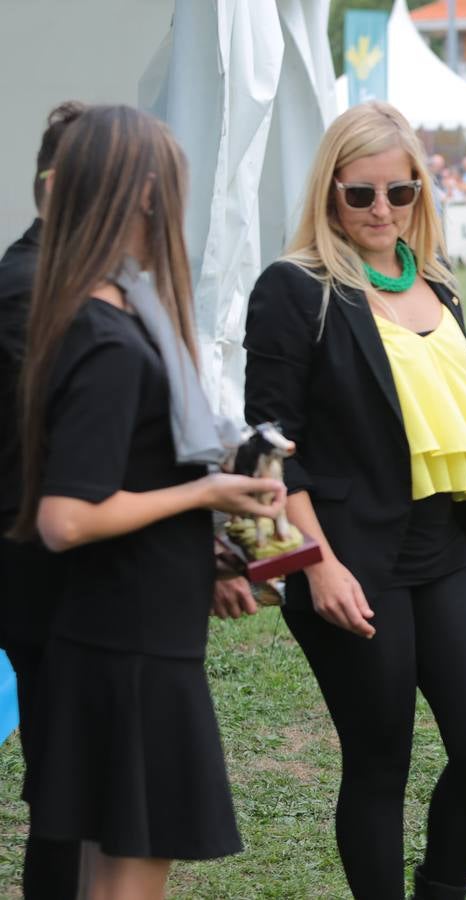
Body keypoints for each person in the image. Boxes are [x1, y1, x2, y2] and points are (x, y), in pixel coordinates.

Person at [243, 101, 466, 900]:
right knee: (379, 760)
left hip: (443, 551)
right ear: (328, 193)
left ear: (421, 196)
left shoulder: (434, 285)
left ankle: (439, 889)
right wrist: (315, 567)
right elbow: (270, 448)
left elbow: (465, 425)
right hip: (350, 560)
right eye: (361, 194)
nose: (382, 211)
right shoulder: (294, 289)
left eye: (400, 193)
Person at [12, 104, 285, 900]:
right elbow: (66, 517)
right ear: (138, 194)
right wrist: (204, 490)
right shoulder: (101, 332)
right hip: (127, 644)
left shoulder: (106, 312)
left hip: (128, 632)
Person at [0, 98, 86, 900]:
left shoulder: (67, 280)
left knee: (77, 776)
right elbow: (63, 445)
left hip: (74, 568)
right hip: (42, 572)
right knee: (62, 780)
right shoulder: (27, 288)